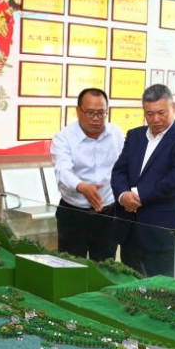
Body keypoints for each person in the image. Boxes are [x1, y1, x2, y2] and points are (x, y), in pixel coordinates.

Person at [111, 84, 175, 278]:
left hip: (162, 233)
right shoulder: (135, 135)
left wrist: (137, 195)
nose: (155, 119)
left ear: (173, 107)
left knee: (164, 291)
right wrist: (123, 195)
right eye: (149, 114)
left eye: (161, 113)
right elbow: (119, 171)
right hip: (129, 232)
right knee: (131, 288)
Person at [51, 88, 124, 261]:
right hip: (74, 213)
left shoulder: (116, 135)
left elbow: (123, 168)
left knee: (105, 266)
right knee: (71, 266)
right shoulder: (63, 138)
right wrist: (81, 186)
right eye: (90, 113)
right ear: (78, 111)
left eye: (101, 113)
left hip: (108, 213)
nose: (96, 118)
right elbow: (62, 170)